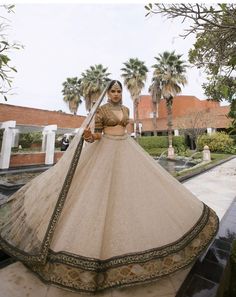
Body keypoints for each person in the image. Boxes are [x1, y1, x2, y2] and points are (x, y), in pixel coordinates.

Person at [0, 80, 219, 296]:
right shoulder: (102, 111)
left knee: (136, 194)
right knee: (99, 196)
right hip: (105, 152)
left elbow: (124, 128)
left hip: (126, 150)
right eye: (113, 91)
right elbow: (97, 135)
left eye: (118, 91)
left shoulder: (124, 109)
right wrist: (88, 137)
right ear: (108, 94)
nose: (116, 94)